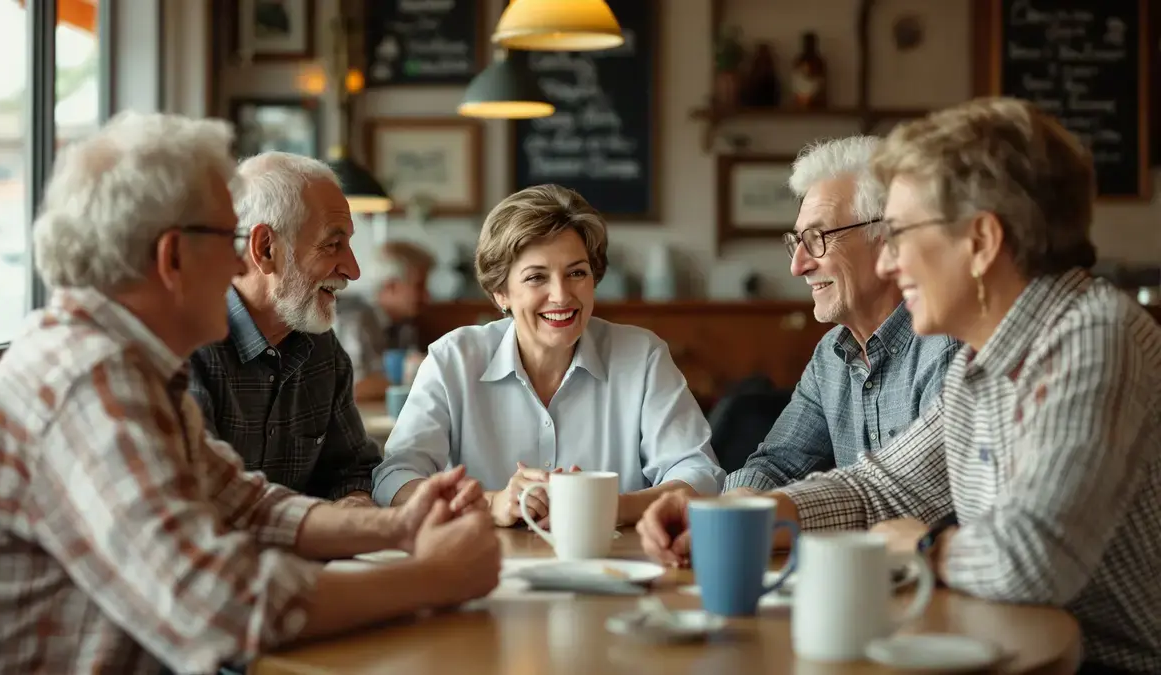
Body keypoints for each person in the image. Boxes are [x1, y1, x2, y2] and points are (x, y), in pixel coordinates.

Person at [0, 112, 498, 674]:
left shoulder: (130, 364)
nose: (239, 262)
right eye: (228, 238)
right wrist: (436, 578)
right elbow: (216, 606)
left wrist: (401, 525)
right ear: (173, 258)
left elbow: (247, 504)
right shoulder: (88, 378)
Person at [642, 98, 1161, 673]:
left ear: (981, 242)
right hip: (999, 646)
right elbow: (879, 490)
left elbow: (1030, 561)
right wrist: (730, 515)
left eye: (904, 233)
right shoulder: (982, 362)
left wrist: (922, 547)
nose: (890, 264)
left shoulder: (1094, 334)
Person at [372, 184, 725, 526]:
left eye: (576, 273)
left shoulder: (643, 356)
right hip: (479, 567)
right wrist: (489, 502)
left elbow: (700, 475)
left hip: (615, 566)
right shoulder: (453, 359)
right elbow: (395, 477)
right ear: (501, 293)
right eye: (536, 277)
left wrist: (608, 507)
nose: (561, 295)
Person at [723, 136, 959, 495]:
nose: (797, 266)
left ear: (886, 236)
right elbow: (777, 464)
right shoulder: (831, 355)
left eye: (817, 237)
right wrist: (733, 507)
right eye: (797, 241)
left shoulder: (948, 344)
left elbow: (914, 493)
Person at [187, 151, 382, 505]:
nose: (353, 270)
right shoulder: (187, 347)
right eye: (332, 245)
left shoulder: (321, 348)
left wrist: (354, 509)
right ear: (265, 249)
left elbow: (353, 469)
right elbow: (210, 501)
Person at [336, 240, 435, 401]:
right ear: (391, 286)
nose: (426, 296)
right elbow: (353, 387)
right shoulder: (357, 321)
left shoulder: (406, 326)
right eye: (419, 286)